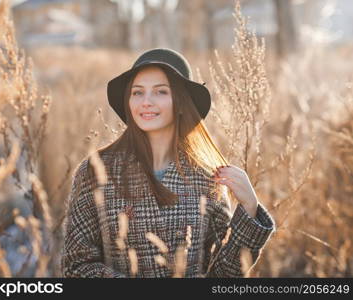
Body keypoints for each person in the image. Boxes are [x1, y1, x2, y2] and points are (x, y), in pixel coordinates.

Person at [62, 48, 275, 278]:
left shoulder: (206, 177)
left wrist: (250, 210)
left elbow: (224, 275)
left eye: (161, 92)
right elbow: (76, 267)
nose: (146, 102)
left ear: (182, 102)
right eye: (137, 92)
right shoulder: (96, 171)